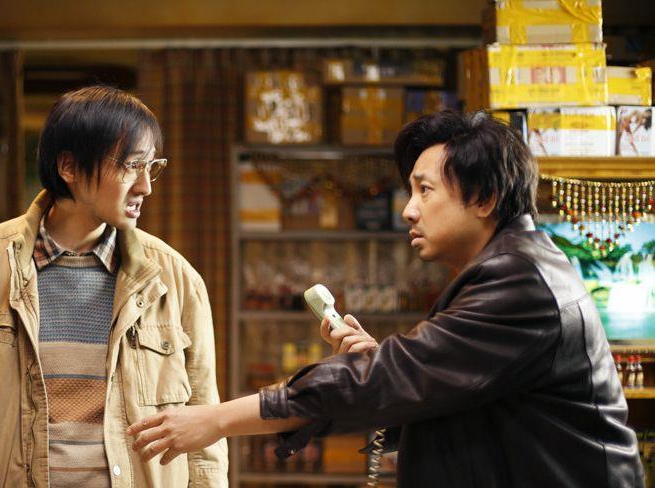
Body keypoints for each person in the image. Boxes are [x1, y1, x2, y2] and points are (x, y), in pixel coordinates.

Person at [127, 111, 644, 487]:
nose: (408, 211)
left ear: (485, 198)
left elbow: (389, 377)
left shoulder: (519, 281)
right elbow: (437, 384)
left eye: (425, 191)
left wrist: (214, 420)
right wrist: (378, 365)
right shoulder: (514, 266)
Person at [0, 85, 228, 487]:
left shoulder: (175, 278)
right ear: (69, 166)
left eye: (151, 167)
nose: (146, 186)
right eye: (131, 166)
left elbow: (205, 432)